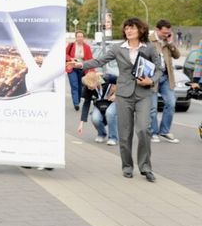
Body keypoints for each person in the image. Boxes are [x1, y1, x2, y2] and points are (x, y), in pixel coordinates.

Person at [72, 18, 159, 182]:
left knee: (143, 130)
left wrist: (151, 80)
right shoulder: (118, 48)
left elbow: (159, 69)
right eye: (126, 28)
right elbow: (100, 61)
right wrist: (80, 65)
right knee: (125, 134)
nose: (128, 31)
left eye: (132, 28)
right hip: (124, 94)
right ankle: (127, 166)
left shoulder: (150, 48)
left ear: (140, 30)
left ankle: (146, 167)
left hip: (144, 94)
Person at [148, 19, 181, 143]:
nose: (166, 35)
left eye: (168, 32)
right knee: (152, 107)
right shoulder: (149, 40)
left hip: (166, 77)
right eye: (164, 33)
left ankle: (164, 131)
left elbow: (177, 55)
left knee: (171, 103)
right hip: (152, 78)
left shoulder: (167, 41)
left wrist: (170, 43)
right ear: (157, 30)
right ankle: (153, 132)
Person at [77, 70, 119, 146]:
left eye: (90, 86)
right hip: (100, 103)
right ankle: (102, 134)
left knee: (110, 113)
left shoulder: (108, 78)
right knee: (94, 118)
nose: (89, 88)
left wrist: (116, 94)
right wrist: (81, 123)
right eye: (87, 86)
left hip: (113, 101)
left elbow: (123, 82)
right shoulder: (88, 87)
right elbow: (86, 104)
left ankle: (113, 138)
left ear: (96, 82)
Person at [65, 30, 92, 111]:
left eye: (81, 36)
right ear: (76, 37)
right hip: (72, 68)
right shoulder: (71, 45)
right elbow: (64, 54)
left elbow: (90, 59)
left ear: (83, 38)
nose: (80, 38)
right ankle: (76, 103)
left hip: (82, 68)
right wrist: (70, 58)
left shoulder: (87, 47)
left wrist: (91, 70)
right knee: (74, 85)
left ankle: (78, 100)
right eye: (78, 36)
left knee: (80, 86)